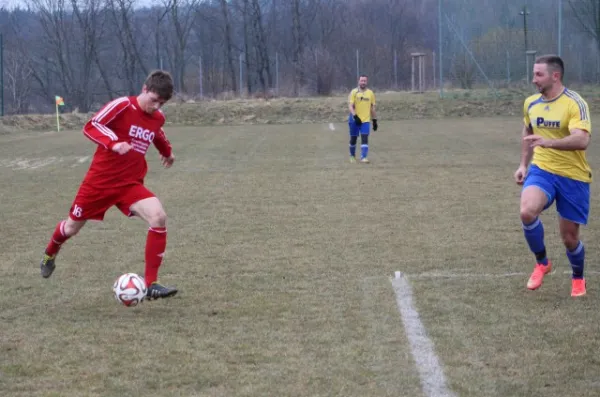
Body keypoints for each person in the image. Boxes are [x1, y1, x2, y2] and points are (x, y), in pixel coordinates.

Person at [39, 70, 178, 300]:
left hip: (129, 184)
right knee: (71, 228)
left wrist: (167, 153)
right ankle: (49, 253)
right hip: (99, 183)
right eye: (153, 100)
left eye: (161, 103)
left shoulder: (157, 117)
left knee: (158, 216)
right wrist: (113, 143)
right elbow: (92, 125)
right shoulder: (123, 105)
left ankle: (151, 283)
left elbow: (156, 133)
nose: (156, 106)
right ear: (144, 89)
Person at [514, 55, 592, 297]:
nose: (533, 79)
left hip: (573, 176)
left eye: (539, 74)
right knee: (527, 211)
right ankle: (542, 262)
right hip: (543, 169)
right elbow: (528, 132)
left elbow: (582, 139)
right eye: (534, 74)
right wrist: (523, 165)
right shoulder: (531, 103)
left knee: (570, 239)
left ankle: (578, 278)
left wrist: (548, 142)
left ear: (555, 76)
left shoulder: (574, 103)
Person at [348, 75, 378, 163]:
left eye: (365, 81)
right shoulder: (354, 92)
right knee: (353, 139)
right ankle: (352, 156)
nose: (363, 82)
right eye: (362, 81)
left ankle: (363, 157)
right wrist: (355, 116)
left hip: (365, 120)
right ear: (358, 81)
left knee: (365, 137)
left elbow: (372, 108)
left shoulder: (370, 93)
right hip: (354, 120)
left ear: (367, 82)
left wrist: (375, 120)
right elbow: (350, 106)